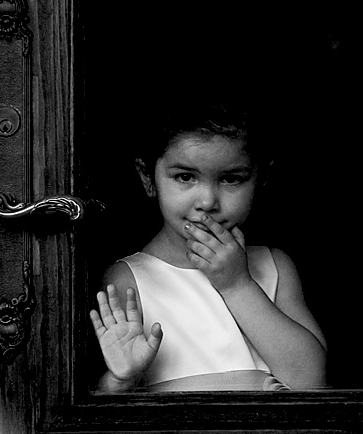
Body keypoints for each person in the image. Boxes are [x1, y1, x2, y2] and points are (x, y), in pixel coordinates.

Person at [89, 102, 326, 392]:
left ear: (261, 177)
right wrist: (119, 379)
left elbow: (311, 382)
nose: (208, 201)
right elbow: (104, 414)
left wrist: (237, 285)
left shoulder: (275, 266)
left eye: (230, 179)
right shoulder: (129, 278)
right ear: (147, 177)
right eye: (185, 177)